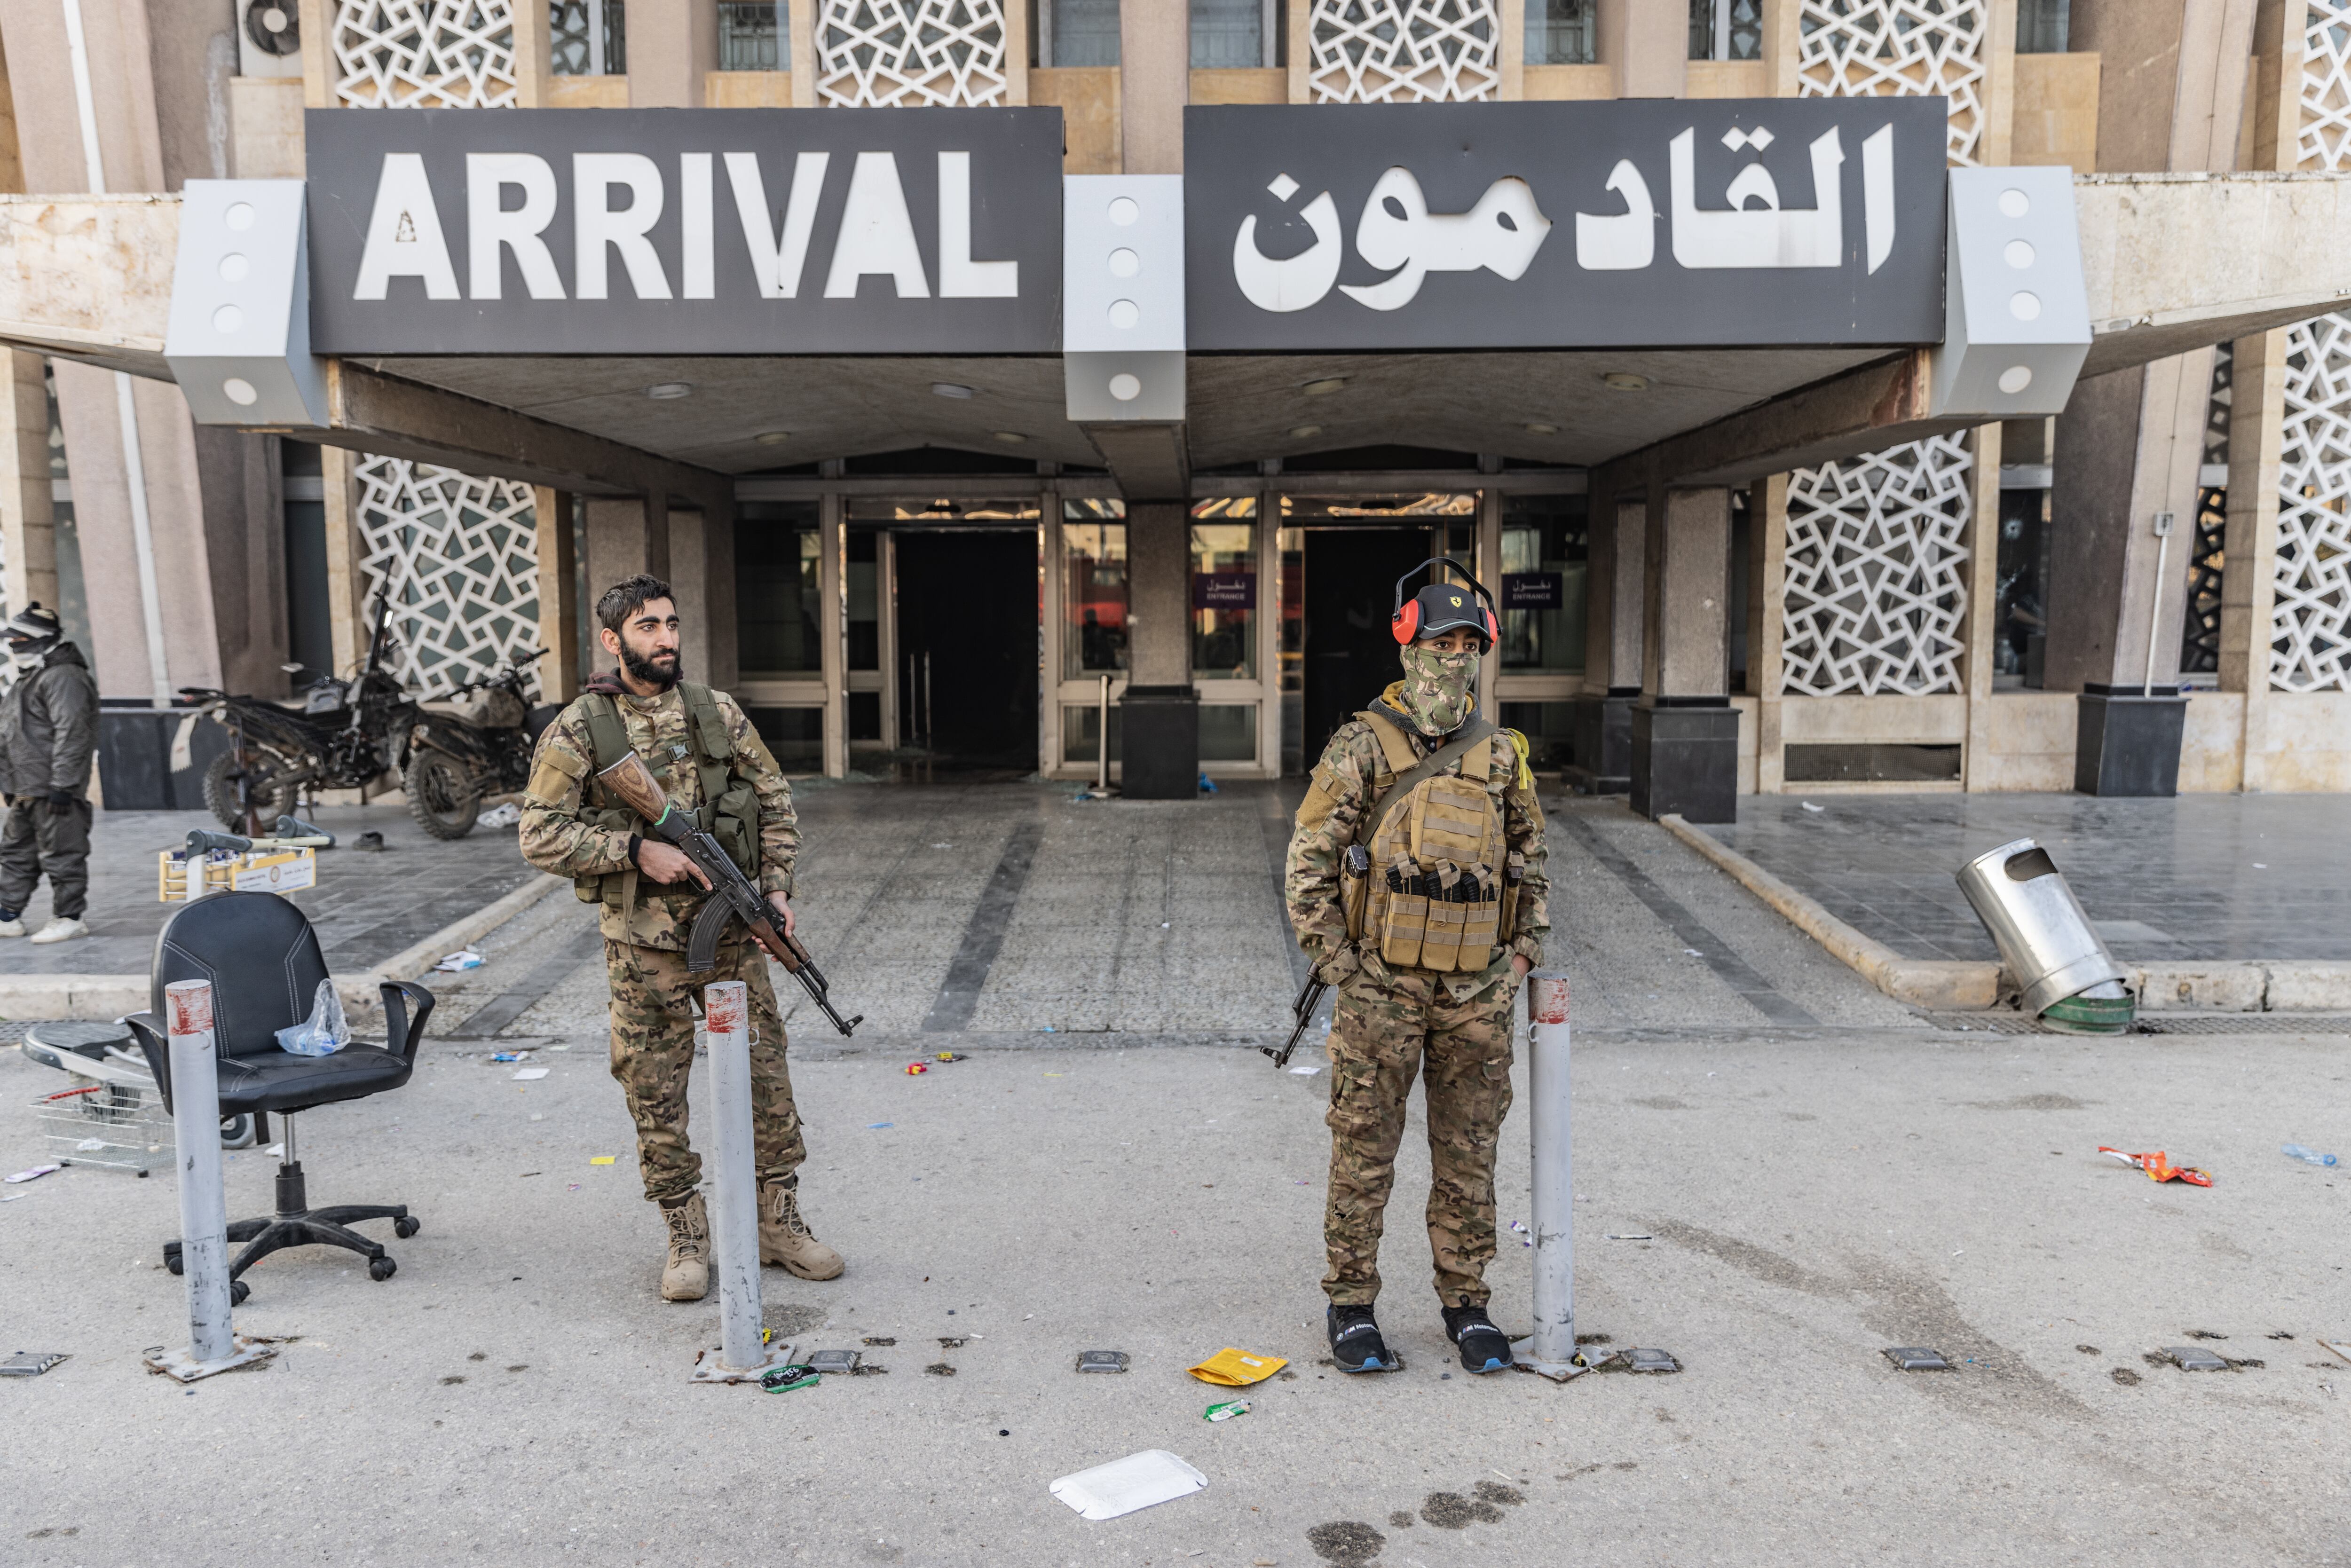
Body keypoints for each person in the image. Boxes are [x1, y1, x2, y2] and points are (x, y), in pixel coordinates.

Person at [519, 574, 844, 1301]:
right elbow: (537, 833)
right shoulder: (581, 727)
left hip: (732, 941)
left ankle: (778, 1219)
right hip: (644, 949)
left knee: (768, 1084)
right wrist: (636, 852)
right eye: (646, 627)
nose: (665, 638)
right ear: (614, 640)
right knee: (655, 1090)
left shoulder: (716, 711)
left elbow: (775, 800)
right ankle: (685, 1231)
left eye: (670, 623)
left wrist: (778, 887)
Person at [1284, 564, 1549, 1375]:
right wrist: (1345, 966)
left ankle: (1467, 1303)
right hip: (1384, 989)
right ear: (1409, 647)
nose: (1456, 660)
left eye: (1470, 646)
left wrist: (1520, 960)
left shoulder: (1502, 755)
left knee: (1470, 1151)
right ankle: (1351, 1302)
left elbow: (1531, 864)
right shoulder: (1362, 747)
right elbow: (1308, 868)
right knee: (1364, 1148)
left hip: (1476, 992)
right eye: (1442, 644)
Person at [0, 603, 98, 944]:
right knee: (15, 851)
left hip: (54, 787)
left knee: (63, 853)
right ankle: (7, 914)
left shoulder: (65, 677)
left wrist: (64, 785)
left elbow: (73, 733)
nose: (14, 647)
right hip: (27, 786)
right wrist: (8, 781)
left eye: (21, 639)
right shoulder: (31, 677)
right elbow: (9, 732)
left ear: (41, 639)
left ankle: (69, 917)